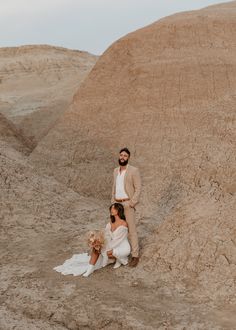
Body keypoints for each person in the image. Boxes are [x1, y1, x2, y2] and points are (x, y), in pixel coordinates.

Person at [53, 203, 131, 277]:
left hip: (122, 246)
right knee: (96, 247)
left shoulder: (123, 224)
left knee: (106, 252)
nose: (111, 209)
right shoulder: (110, 223)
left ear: (118, 210)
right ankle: (90, 269)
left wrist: (104, 247)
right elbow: (106, 235)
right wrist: (98, 242)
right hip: (112, 244)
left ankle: (121, 259)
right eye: (111, 208)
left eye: (114, 208)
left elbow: (118, 241)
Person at [111, 147, 141, 267]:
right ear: (119, 156)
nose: (122, 157)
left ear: (128, 158)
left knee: (131, 231)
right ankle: (116, 255)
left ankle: (135, 255)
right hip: (116, 204)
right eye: (121, 155)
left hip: (127, 204)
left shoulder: (134, 171)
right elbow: (114, 187)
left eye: (125, 156)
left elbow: (138, 188)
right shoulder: (115, 171)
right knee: (116, 230)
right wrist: (112, 201)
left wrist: (132, 203)